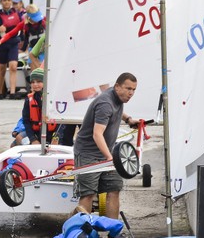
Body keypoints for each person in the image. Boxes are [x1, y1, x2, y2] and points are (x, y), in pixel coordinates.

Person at [73, 72, 140, 219]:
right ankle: (79, 233)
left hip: (108, 152)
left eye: (134, 89)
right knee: (88, 194)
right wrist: (111, 158)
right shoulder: (105, 103)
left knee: (114, 189)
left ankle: (113, 232)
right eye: (128, 88)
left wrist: (128, 119)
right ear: (117, 87)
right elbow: (97, 134)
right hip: (88, 153)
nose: (131, 93)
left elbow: (117, 110)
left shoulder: (118, 97)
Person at [21, 68, 57, 145]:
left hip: (53, 135)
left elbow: (61, 122)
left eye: (39, 81)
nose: (35, 84)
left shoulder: (54, 99)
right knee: (16, 142)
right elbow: (26, 121)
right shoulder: (29, 99)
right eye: (32, 82)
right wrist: (33, 139)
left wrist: (56, 137)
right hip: (36, 134)